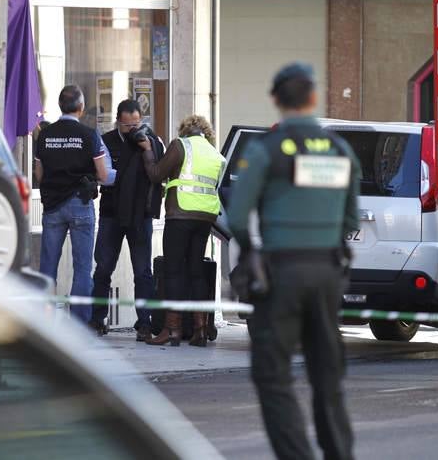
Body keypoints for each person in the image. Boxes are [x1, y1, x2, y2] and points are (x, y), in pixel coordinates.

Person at [227, 63, 359, 460]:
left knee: (272, 372)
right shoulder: (339, 149)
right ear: (314, 98)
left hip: (282, 272)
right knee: (327, 372)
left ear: (275, 101)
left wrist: (250, 251)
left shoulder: (266, 150)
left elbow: (236, 216)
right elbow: (351, 218)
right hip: (327, 272)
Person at [137, 115, 225, 347]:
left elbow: (156, 174)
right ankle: (200, 330)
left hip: (181, 214)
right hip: (206, 216)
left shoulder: (180, 145)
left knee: (174, 271)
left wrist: (147, 150)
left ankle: (172, 329)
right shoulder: (215, 154)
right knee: (196, 271)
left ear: (185, 129)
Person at [90, 100, 164, 340]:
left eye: (136, 124)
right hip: (111, 212)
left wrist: (147, 149)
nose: (132, 129)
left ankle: (144, 322)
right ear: (118, 122)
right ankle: (97, 318)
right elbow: (103, 175)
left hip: (140, 215)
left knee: (143, 271)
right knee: (103, 268)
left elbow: (159, 171)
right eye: (127, 125)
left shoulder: (151, 140)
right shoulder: (107, 140)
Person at [35, 85, 109, 323]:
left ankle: (44, 321)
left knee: (47, 267)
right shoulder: (89, 135)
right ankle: (79, 323)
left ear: (60, 106)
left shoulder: (45, 135)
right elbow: (103, 174)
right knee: (82, 269)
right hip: (80, 204)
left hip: (52, 207)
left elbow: (39, 174)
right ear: (81, 107)